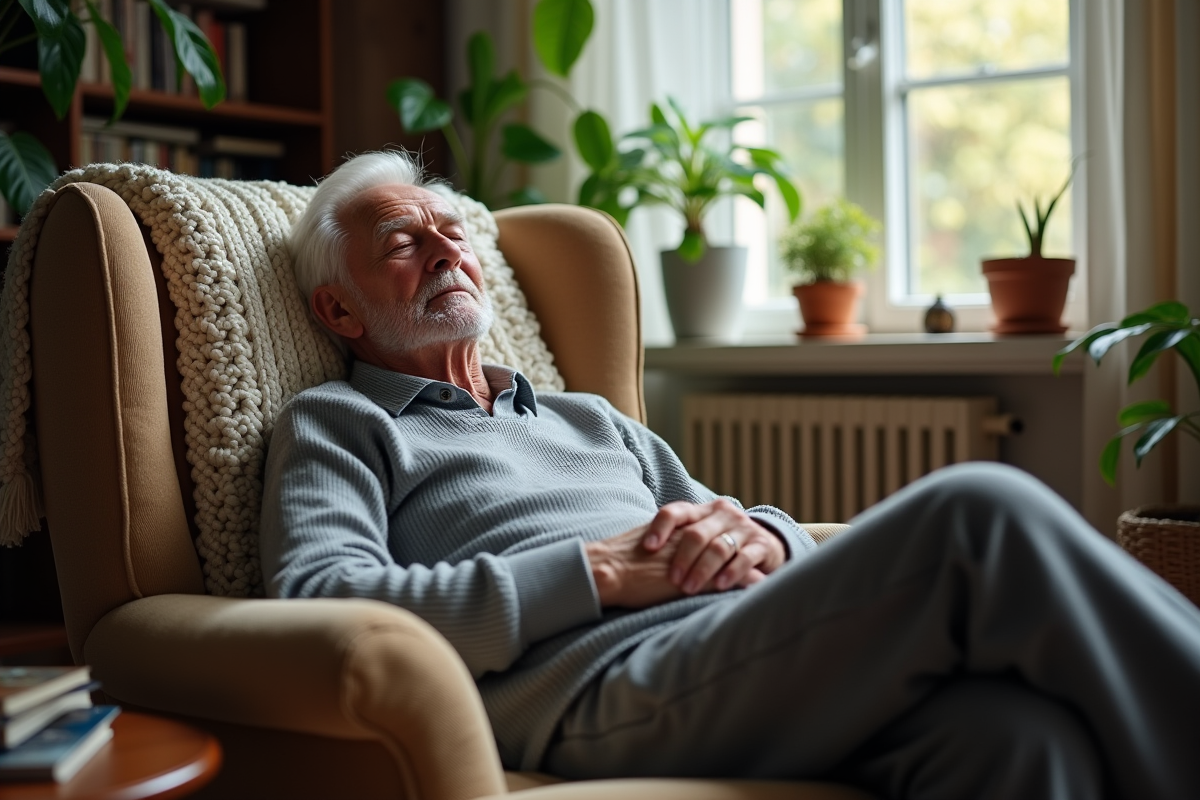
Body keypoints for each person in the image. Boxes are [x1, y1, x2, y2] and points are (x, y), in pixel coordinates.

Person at [261, 151, 1200, 800]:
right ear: (338, 309)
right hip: (595, 691)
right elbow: (322, 599)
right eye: (402, 242)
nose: (446, 252)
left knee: (1013, 738)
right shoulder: (343, 422)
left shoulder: (585, 416)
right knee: (976, 511)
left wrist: (768, 533)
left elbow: (714, 519)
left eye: (452, 233)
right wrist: (594, 572)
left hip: (730, 648)